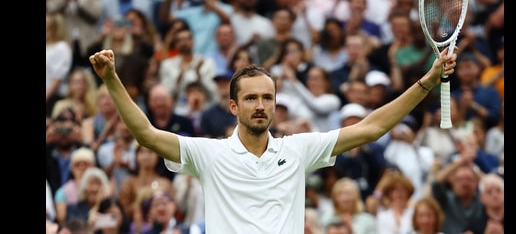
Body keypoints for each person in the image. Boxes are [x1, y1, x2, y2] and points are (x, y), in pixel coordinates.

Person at [88, 43, 457, 233]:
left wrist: (427, 80)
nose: (260, 105)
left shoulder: (298, 150)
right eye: (251, 98)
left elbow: (371, 127)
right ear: (233, 106)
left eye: (267, 97)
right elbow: (147, 134)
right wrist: (111, 79)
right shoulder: (210, 154)